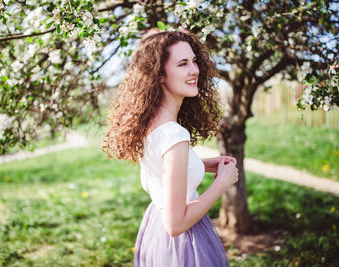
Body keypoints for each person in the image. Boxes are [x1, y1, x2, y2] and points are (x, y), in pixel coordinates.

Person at [101, 30, 239, 267]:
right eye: (182, 63)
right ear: (160, 75)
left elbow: (155, 179)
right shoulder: (174, 135)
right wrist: (222, 183)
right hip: (184, 245)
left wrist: (200, 165)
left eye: (194, 61)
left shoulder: (151, 124)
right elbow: (176, 225)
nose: (194, 70)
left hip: (156, 237)